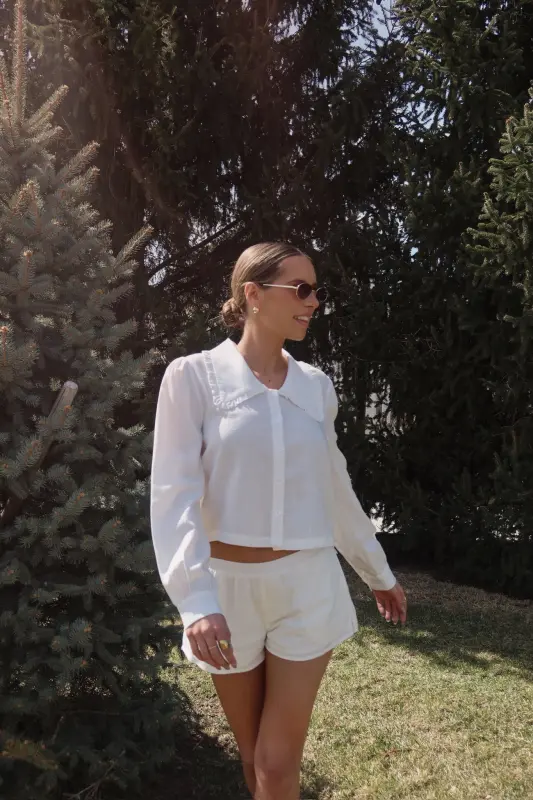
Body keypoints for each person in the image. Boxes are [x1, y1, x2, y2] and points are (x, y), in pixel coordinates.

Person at [150, 242, 407, 800]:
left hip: (306, 586)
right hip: (226, 595)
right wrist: (196, 601)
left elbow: (334, 487)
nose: (313, 302)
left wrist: (376, 572)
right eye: (301, 289)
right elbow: (174, 495)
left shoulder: (316, 386)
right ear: (253, 294)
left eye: (316, 291)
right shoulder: (192, 378)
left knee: (275, 761)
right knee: (252, 757)